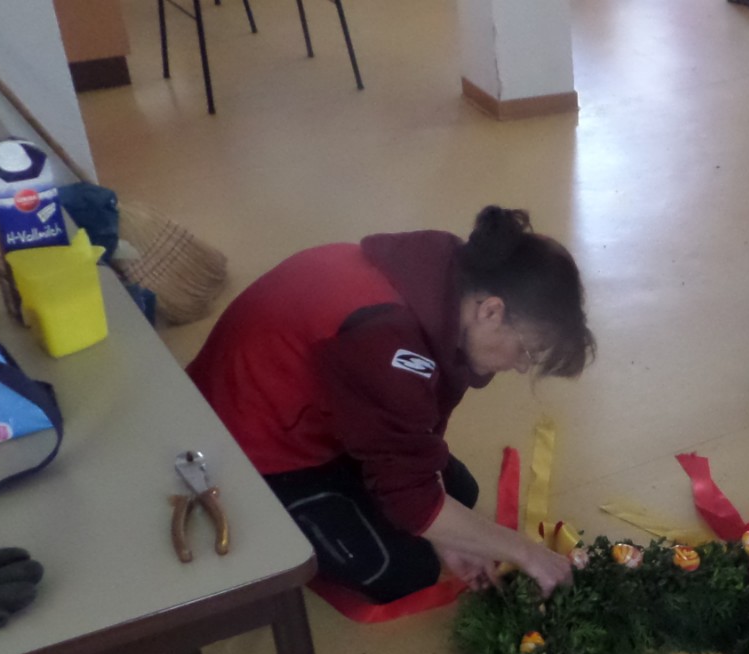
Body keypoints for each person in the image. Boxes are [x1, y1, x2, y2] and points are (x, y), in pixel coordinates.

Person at [187, 207, 594, 605]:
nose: (521, 366)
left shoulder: (449, 276)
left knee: (460, 493)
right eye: (527, 350)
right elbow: (414, 499)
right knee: (406, 570)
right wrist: (527, 553)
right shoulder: (386, 340)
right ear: (492, 311)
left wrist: (448, 531)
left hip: (330, 411)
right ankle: (275, 510)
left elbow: (418, 422)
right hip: (248, 448)